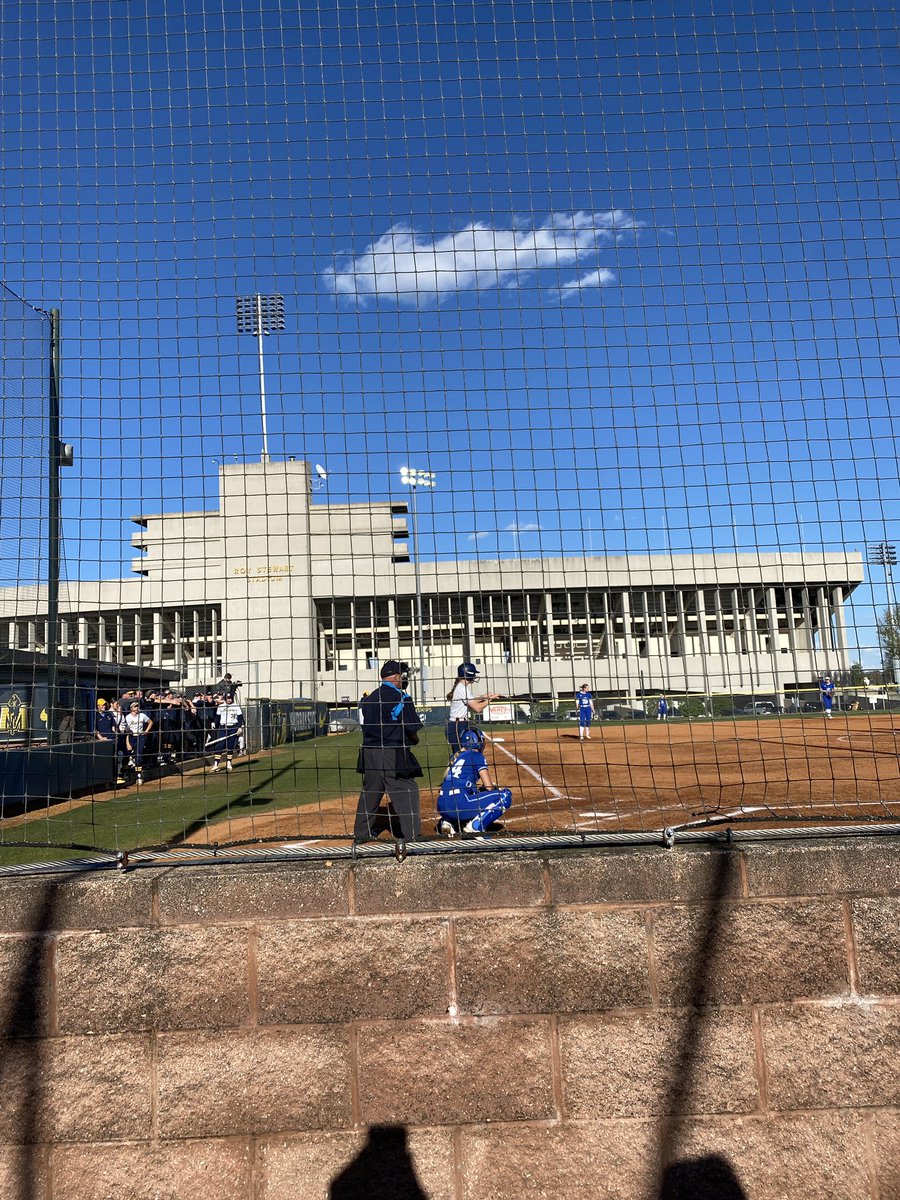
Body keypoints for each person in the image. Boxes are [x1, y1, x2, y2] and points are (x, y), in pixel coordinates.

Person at [354, 660, 423, 855]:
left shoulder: (369, 699)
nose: (402, 678)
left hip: (368, 752)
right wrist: (414, 740)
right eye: (401, 675)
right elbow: (411, 729)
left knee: (370, 793)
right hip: (391, 752)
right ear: (394, 677)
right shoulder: (402, 698)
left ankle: (361, 833)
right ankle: (413, 836)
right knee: (407, 790)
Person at [436, 727, 512, 836]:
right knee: (505, 796)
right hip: (459, 802)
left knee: (471, 792)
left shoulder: (455, 757)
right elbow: (489, 787)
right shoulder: (477, 756)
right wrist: (494, 788)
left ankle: (448, 822)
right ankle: (476, 827)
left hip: (442, 805)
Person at [445, 662, 501, 756]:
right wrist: (491, 699)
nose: (475, 676)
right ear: (468, 674)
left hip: (459, 724)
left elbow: (471, 701)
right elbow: (477, 708)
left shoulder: (462, 687)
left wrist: (484, 697)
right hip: (457, 725)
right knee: (460, 756)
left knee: (464, 754)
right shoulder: (463, 688)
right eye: (473, 674)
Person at [208, 694, 244, 771]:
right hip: (223, 727)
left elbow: (240, 717)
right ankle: (216, 764)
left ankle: (229, 763)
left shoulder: (236, 706)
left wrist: (240, 727)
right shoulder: (221, 706)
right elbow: (217, 716)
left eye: (230, 698)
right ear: (225, 699)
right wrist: (214, 722)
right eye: (228, 698)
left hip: (233, 727)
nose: (229, 700)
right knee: (219, 746)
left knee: (230, 746)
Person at [124, 700, 153, 786]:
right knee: (129, 754)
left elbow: (150, 722)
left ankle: (139, 775)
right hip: (131, 737)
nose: (137, 708)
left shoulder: (142, 715)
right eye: (135, 706)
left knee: (138, 756)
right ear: (131, 708)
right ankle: (130, 765)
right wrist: (127, 742)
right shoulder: (128, 717)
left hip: (140, 736)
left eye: (137, 706)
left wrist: (146, 731)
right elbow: (127, 731)